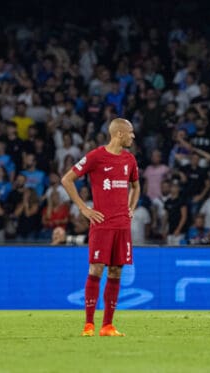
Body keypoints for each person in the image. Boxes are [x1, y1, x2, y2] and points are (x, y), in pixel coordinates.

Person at [61, 118, 140, 337]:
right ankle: (89, 324)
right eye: (131, 132)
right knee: (96, 268)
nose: (133, 136)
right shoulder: (96, 156)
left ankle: (107, 326)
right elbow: (67, 179)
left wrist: (131, 207)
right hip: (102, 224)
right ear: (120, 134)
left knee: (116, 271)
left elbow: (136, 186)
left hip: (122, 225)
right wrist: (84, 209)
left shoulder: (130, 160)